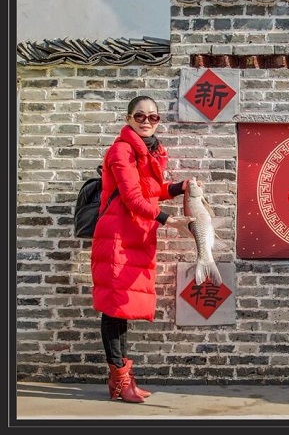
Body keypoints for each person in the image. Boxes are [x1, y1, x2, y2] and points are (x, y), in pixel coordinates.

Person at [91, 95, 196, 403]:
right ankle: (120, 379)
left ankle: (121, 380)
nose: (147, 121)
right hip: (117, 238)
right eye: (140, 116)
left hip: (135, 236)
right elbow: (131, 198)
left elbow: (151, 192)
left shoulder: (150, 152)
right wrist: (169, 220)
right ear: (129, 119)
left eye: (153, 117)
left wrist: (180, 187)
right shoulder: (121, 151)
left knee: (122, 309)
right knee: (114, 309)